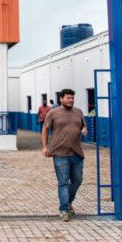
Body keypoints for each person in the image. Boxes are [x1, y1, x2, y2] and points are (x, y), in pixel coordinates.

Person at [41, 88, 87, 221]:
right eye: (68, 98)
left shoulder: (78, 112)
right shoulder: (53, 113)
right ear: (61, 99)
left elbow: (83, 126)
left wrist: (84, 130)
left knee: (77, 180)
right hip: (60, 153)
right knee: (63, 182)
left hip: (77, 152)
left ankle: (68, 201)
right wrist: (45, 146)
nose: (70, 100)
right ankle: (64, 209)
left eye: (72, 98)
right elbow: (45, 129)